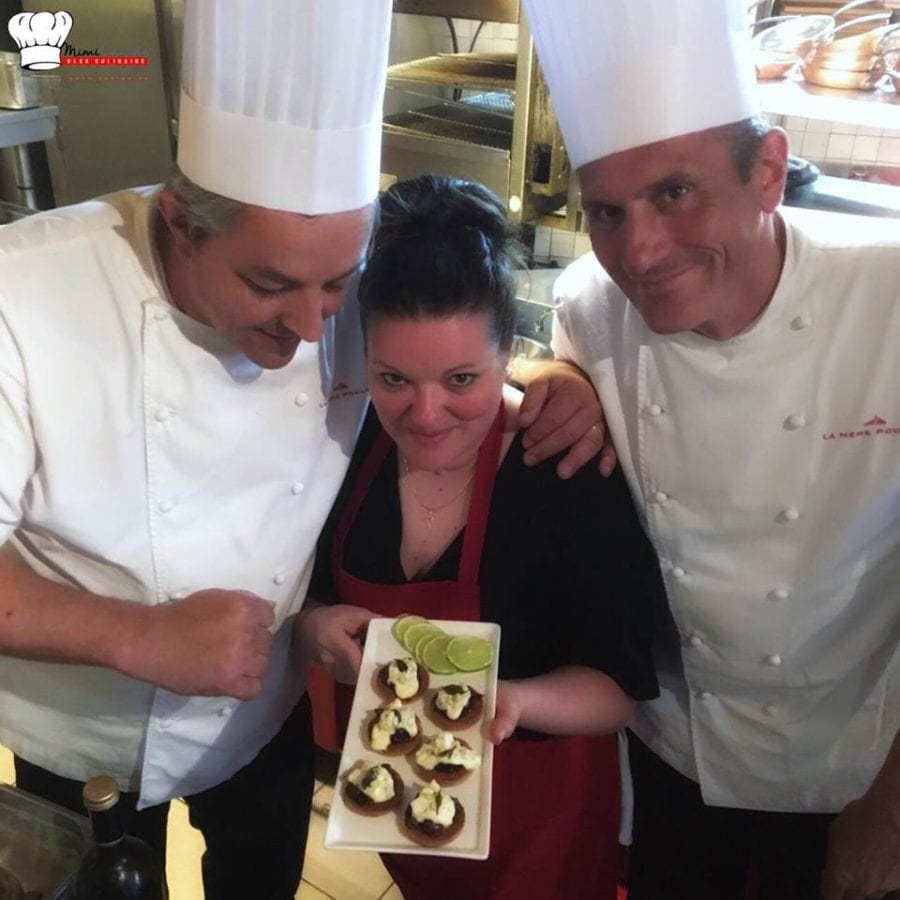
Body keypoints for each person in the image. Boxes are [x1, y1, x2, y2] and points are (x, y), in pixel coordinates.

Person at [0, 1, 392, 896]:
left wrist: (553, 384)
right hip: (79, 735)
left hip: (263, 707)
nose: (310, 327)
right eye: (270, 284)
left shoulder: (356, 283)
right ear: (180, 223)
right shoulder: (22, 293)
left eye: (337, 284)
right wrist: (140, 635)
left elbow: (456, 362)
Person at [520, 1, 900, 898]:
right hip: (679, 748)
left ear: (767, 171)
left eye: (674, 193)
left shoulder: (888, 298)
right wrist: (552, 375)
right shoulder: (591, 306)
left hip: (859, 759)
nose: (640, 251)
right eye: (606, 210)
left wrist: (892, 810)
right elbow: (553, 366)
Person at [296, 174, 663, 900]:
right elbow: (307, 595)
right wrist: (312, 629)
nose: (427, 415)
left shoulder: (565, 469)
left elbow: (618, 689)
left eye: (462, 379)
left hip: (542, 819)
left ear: (510, 353)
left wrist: (513, 701)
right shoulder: (346, 446)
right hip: (400, 803)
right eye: (394, 378)